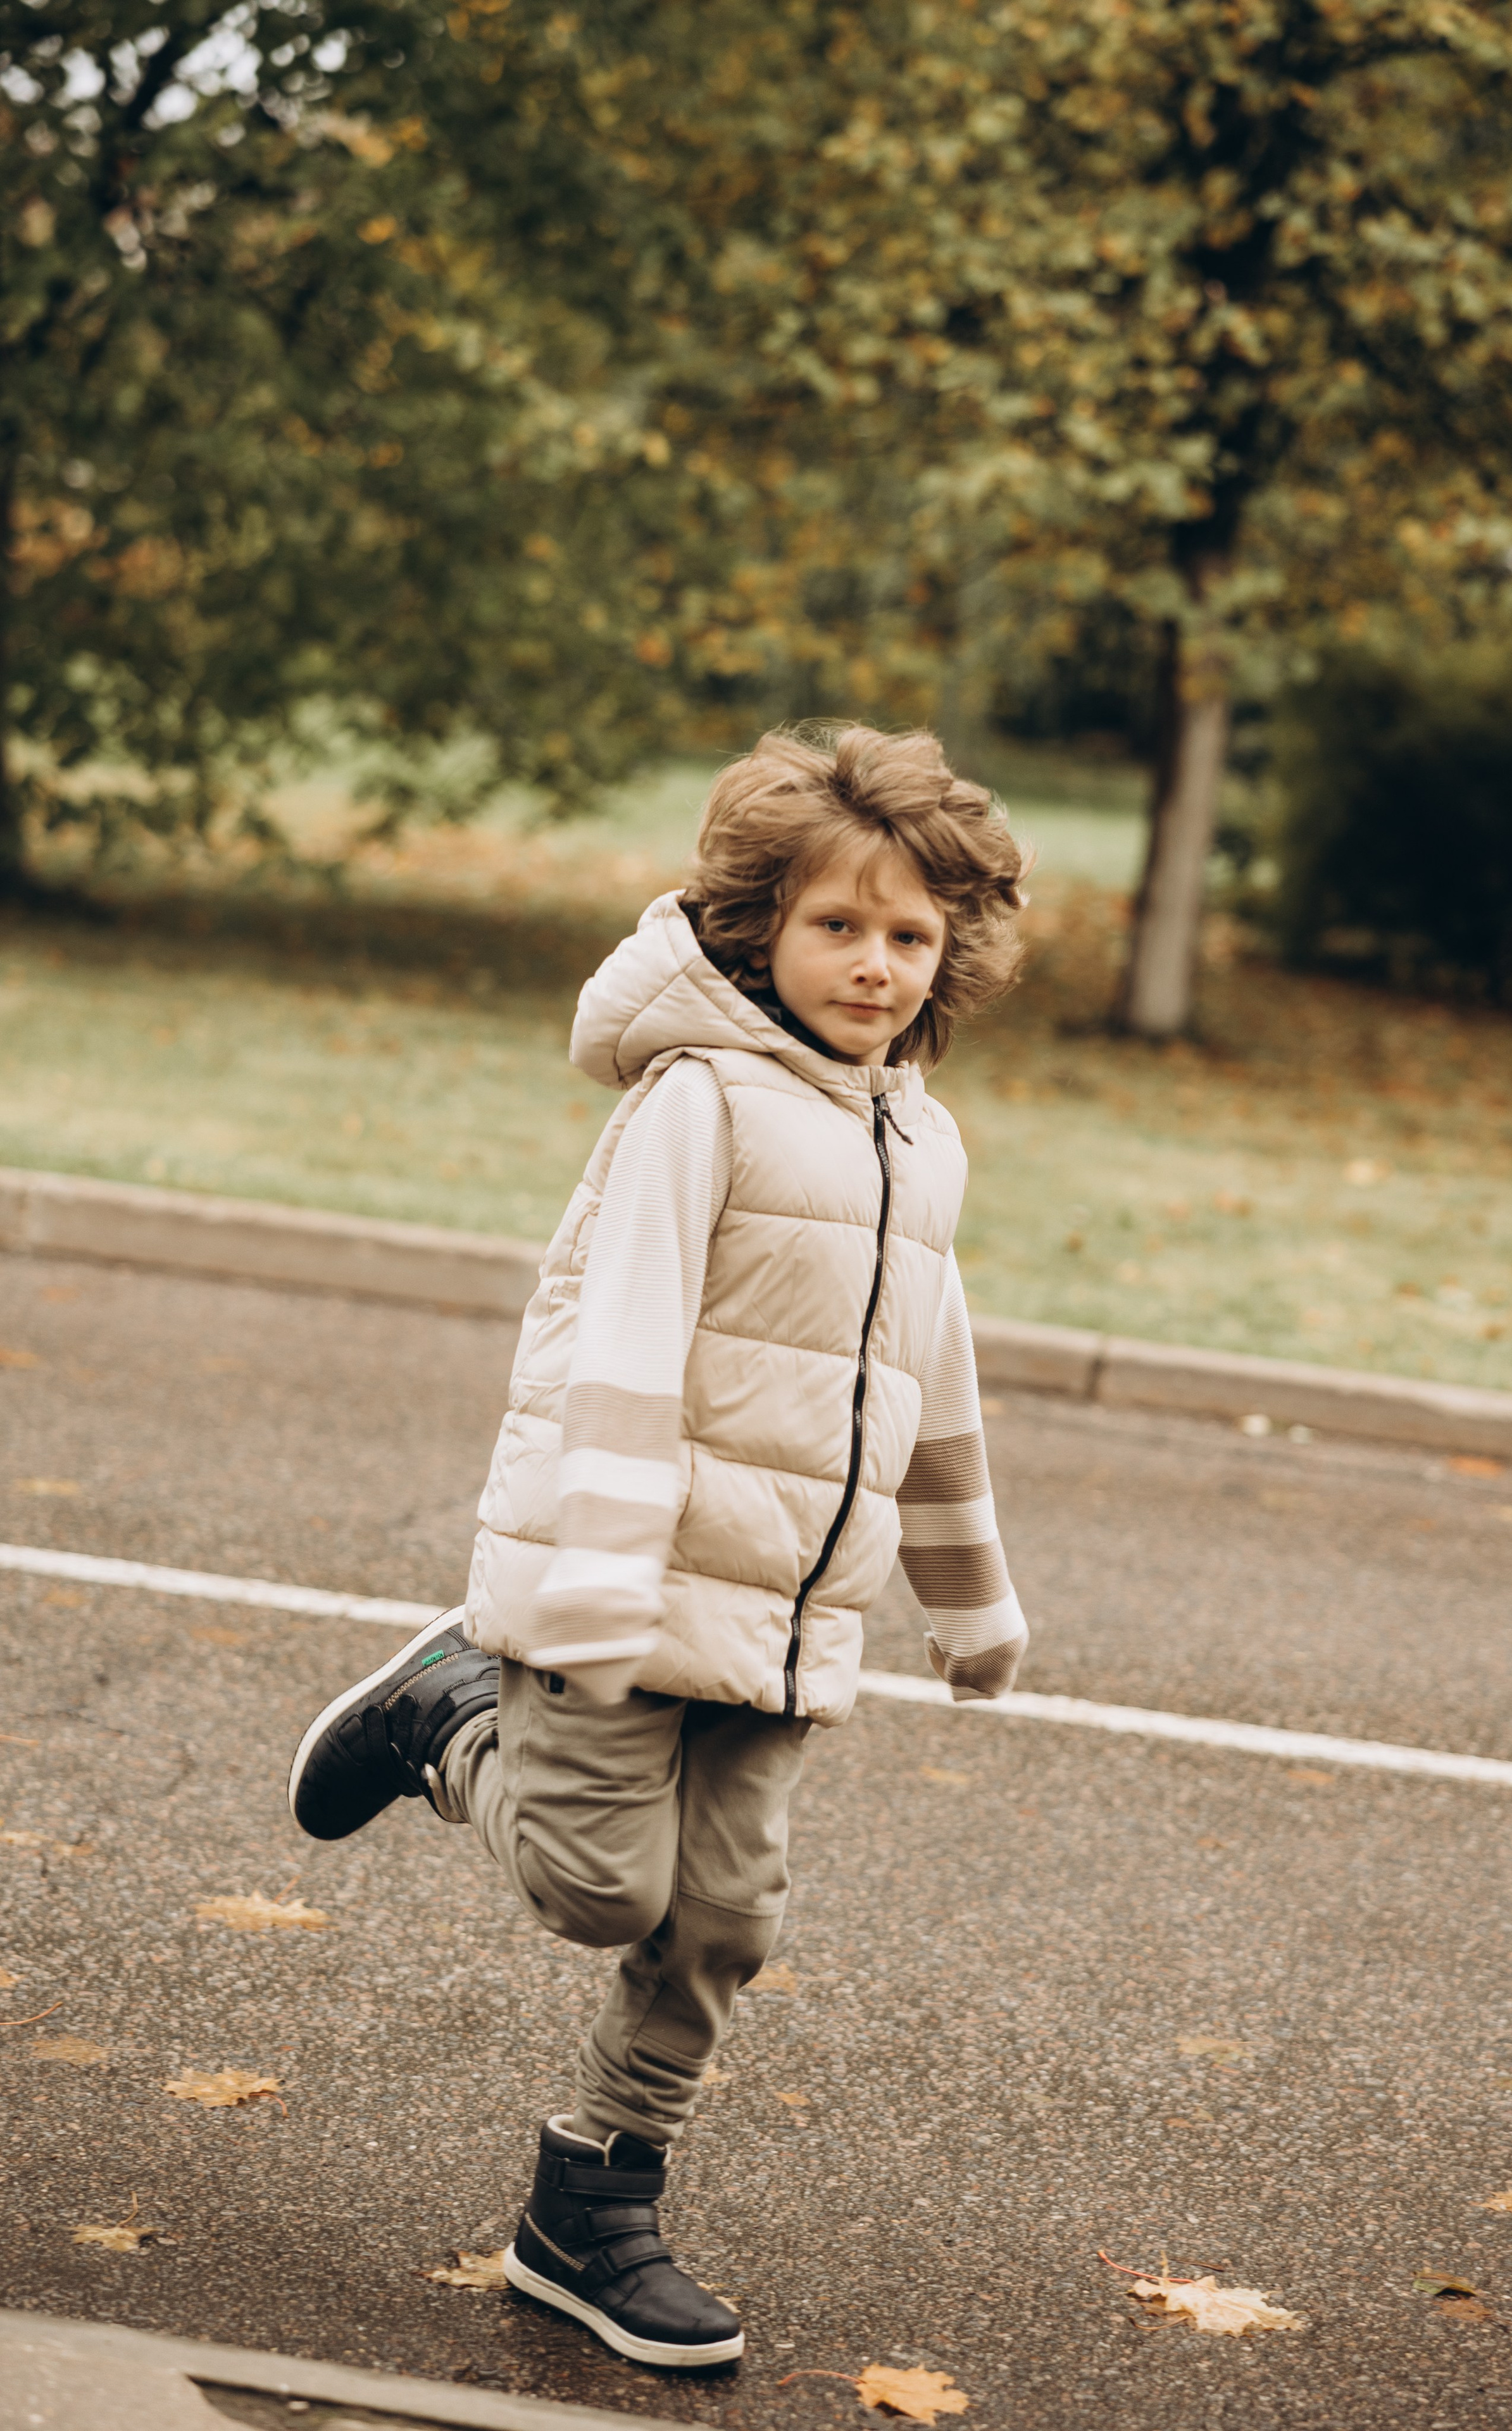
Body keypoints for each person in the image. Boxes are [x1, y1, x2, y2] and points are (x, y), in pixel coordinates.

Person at [285, 723, 1030, 2372]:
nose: (878, 962)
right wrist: (598, 1594)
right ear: (760, 923)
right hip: (618, 1588)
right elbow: (611, 1353)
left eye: (912, 935)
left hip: (785, 1618)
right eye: (842, 924)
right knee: (591, 1880)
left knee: (724, 1918)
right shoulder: (700, 1105)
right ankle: (450, 1718)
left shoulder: (923, 1141)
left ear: (950, 954)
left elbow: (931, 1373)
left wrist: (969, 1596)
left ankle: (591, 2210)